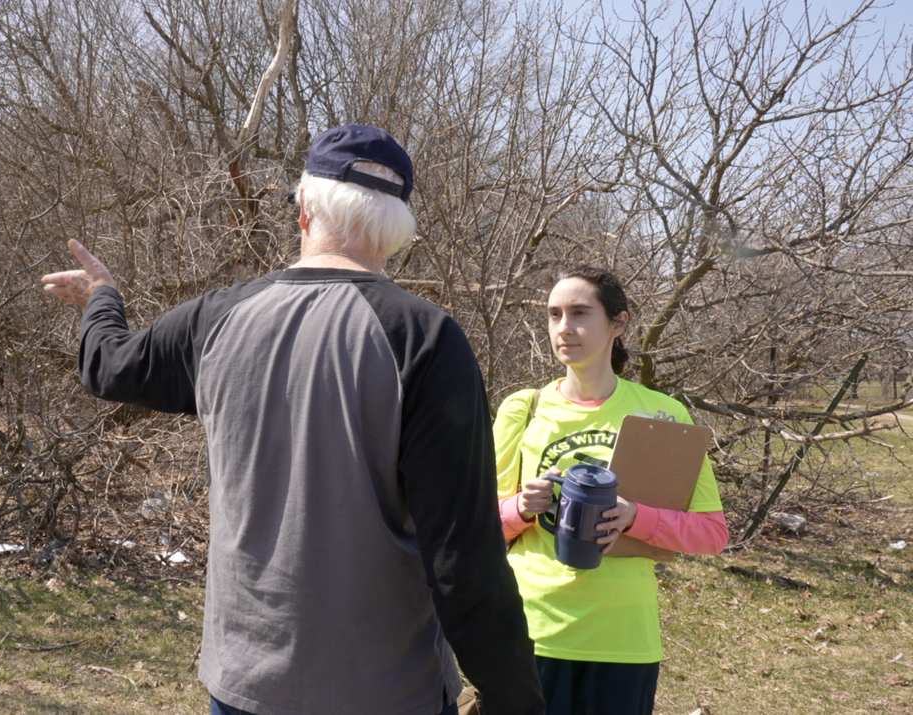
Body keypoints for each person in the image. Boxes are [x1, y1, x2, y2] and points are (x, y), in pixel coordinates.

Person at [42, 125, 544, 715]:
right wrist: (517, 699)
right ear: (397, 228)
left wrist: (102, 295)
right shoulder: (425, 340)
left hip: (244, 687)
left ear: (304, 208)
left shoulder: (217, 319)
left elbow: (110, 365)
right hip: (385, 692)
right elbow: (464, 558)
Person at [494, 265, 728, 715]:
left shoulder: (661, 415)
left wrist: (636, 516)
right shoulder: (523, 410)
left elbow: (712, 534)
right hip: (532, 633)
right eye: (554, 314)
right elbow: (477, 528)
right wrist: (520, 509)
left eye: (580, 313)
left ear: (618, 323)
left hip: (623, 641)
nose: (565, 328)